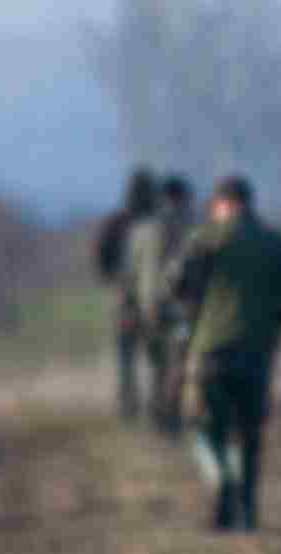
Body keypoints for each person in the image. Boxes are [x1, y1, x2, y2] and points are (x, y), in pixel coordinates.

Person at [171, 175, 281, 531]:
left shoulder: (203, 239)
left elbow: (175, 285)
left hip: (210, 351)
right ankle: (247, 511)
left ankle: (220, 480)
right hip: (257, 354)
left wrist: (191, 309)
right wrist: (276, 320)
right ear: (250, 203)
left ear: (220, 204)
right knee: (249, 434)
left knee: (205, 427)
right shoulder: (276, 242)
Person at [114, 167, 166, 424]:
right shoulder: (164, 224)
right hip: (156, 304)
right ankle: (155, 407)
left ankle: (130, 406)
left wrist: (123, 301)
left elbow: (122, 269)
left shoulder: (121, 223)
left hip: (133, 302)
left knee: (130, 360)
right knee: (158, 360)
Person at [154, 174, 196, 437]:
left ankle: (163, 412)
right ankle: (170, 416)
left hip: (158, 304)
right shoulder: (187, 225)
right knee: (178, 363)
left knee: (163, 363)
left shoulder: (154, 225)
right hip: (179, 304)